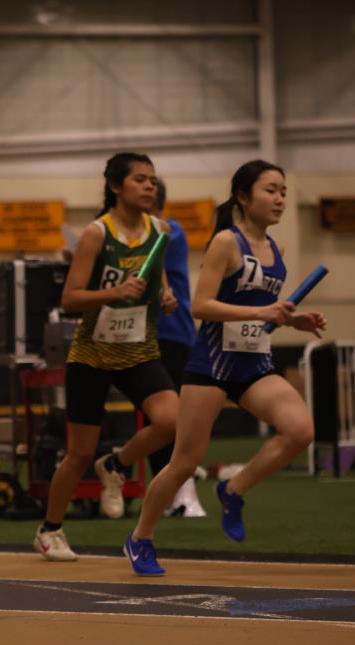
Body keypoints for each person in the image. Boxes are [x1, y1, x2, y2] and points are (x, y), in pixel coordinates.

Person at [124, 159, 327, 575]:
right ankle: (140, 538)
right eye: (270, 190)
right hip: (212, 367)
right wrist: (266, 312)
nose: (280, 199)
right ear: (242, 196)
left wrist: (293, 320)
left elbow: (261, 309)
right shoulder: (225, 243)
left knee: (300, 431)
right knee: (183, 462)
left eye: (283, 192)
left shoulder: (278, 251)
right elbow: (201, 306)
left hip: (255, 365)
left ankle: (233, 490)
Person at [33, 152, 179, 562]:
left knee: (172, 420)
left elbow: (159, 280)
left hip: (139, 350)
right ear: (116, 187)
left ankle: (115, 464)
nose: (149, 185)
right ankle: (50, 530)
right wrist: (114, 292)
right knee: (79, 452)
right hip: (93, 354)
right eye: (139, 179)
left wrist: (166, 296)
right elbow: (70, 298)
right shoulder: (97, 234)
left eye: (152, 179)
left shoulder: (160, 230)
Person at [149, 178, 205, 518]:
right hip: (143, 336)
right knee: (157, 419)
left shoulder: (173, 231)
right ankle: (167, 492)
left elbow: (149, 244)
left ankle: (181, 491)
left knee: (174, 417)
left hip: (173, 334)